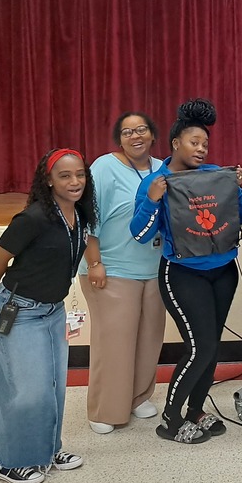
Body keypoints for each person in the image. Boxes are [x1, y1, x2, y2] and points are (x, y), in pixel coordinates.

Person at [0, 149, 96, 483]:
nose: (75, 182)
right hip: (18, 311)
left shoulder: (79, 215)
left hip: (52, 311)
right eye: (65, 176)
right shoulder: (34, 218)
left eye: (80, 175)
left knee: (52, 387)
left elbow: (85, 243)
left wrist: (96, 264)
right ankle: (9, 461)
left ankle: (45, 450)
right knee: (24, 390)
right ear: (49, 180)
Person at [130, 99, 242, 443]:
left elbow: (239, 217)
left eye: (205, 144)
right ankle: (170, 420)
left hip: (223, 272)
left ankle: (196, 409)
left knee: (211, 346)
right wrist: (153, 200)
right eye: (193, 142)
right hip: (182, 274)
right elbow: (139, 235)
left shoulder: (214, 176)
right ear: (175, 144)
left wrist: (238, 190)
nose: (200, 149)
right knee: (199, 348)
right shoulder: (158, 182)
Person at [78, 112, 166, 434]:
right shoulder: (104, 167)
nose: (135, 136)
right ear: (119, 138)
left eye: (141, 129)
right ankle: (105, 408)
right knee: (114, 342)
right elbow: (88, 217)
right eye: (127, 132)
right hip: (111, 268)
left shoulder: (162, 168)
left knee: (149, 338)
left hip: (154, 269)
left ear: (153, 135)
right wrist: (95, 263)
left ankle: (138, 396)